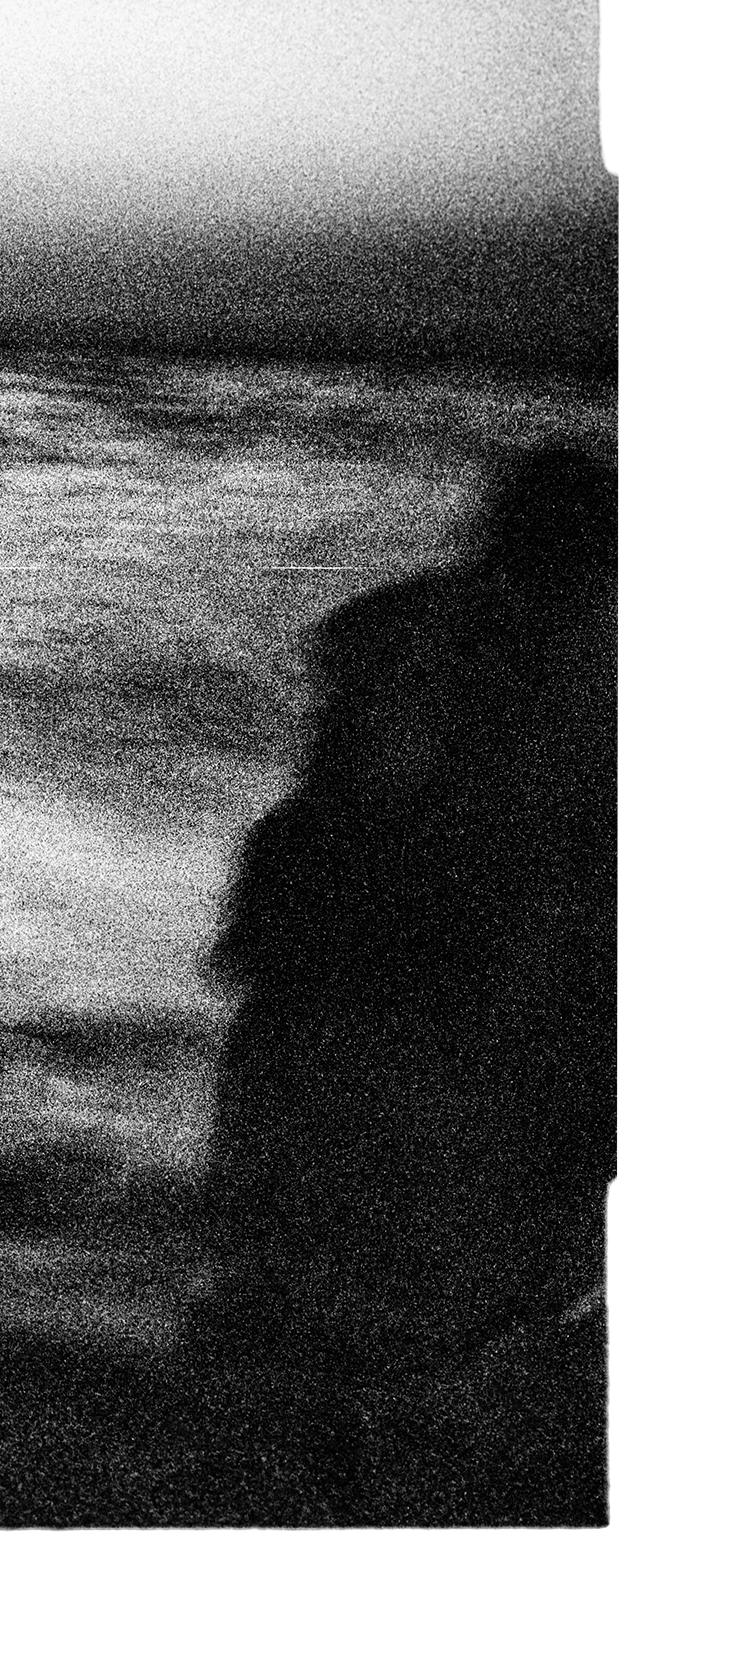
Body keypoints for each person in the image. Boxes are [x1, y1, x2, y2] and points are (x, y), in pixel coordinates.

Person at [205, 445, 614, 1520]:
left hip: (341, 979)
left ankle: (328, 1468)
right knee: (450, 1294)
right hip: (449, 993)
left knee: (319, 1270)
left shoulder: (398, 632)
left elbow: (329, 793)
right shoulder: (585, 671)